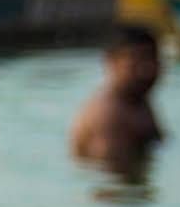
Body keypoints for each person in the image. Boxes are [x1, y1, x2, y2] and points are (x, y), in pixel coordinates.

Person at [70, 24, 165, 170]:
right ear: (111, 62)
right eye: (136, 62)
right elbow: (113, 184)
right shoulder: (109, 116)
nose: (146, 70)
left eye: (152, 59)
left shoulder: (136, 98)